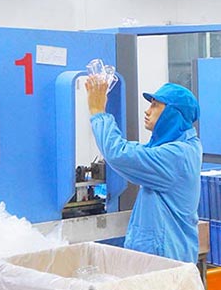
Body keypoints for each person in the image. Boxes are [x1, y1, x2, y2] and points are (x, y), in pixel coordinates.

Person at [85, 78, 202, 264]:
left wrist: (98, 112)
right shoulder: (178, 146)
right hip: (162, 258)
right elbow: (133, 152)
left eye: (155, 105)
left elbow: (118, 154)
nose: (147, 111)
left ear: (172, 113)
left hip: (166, 262)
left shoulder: (177, 156)